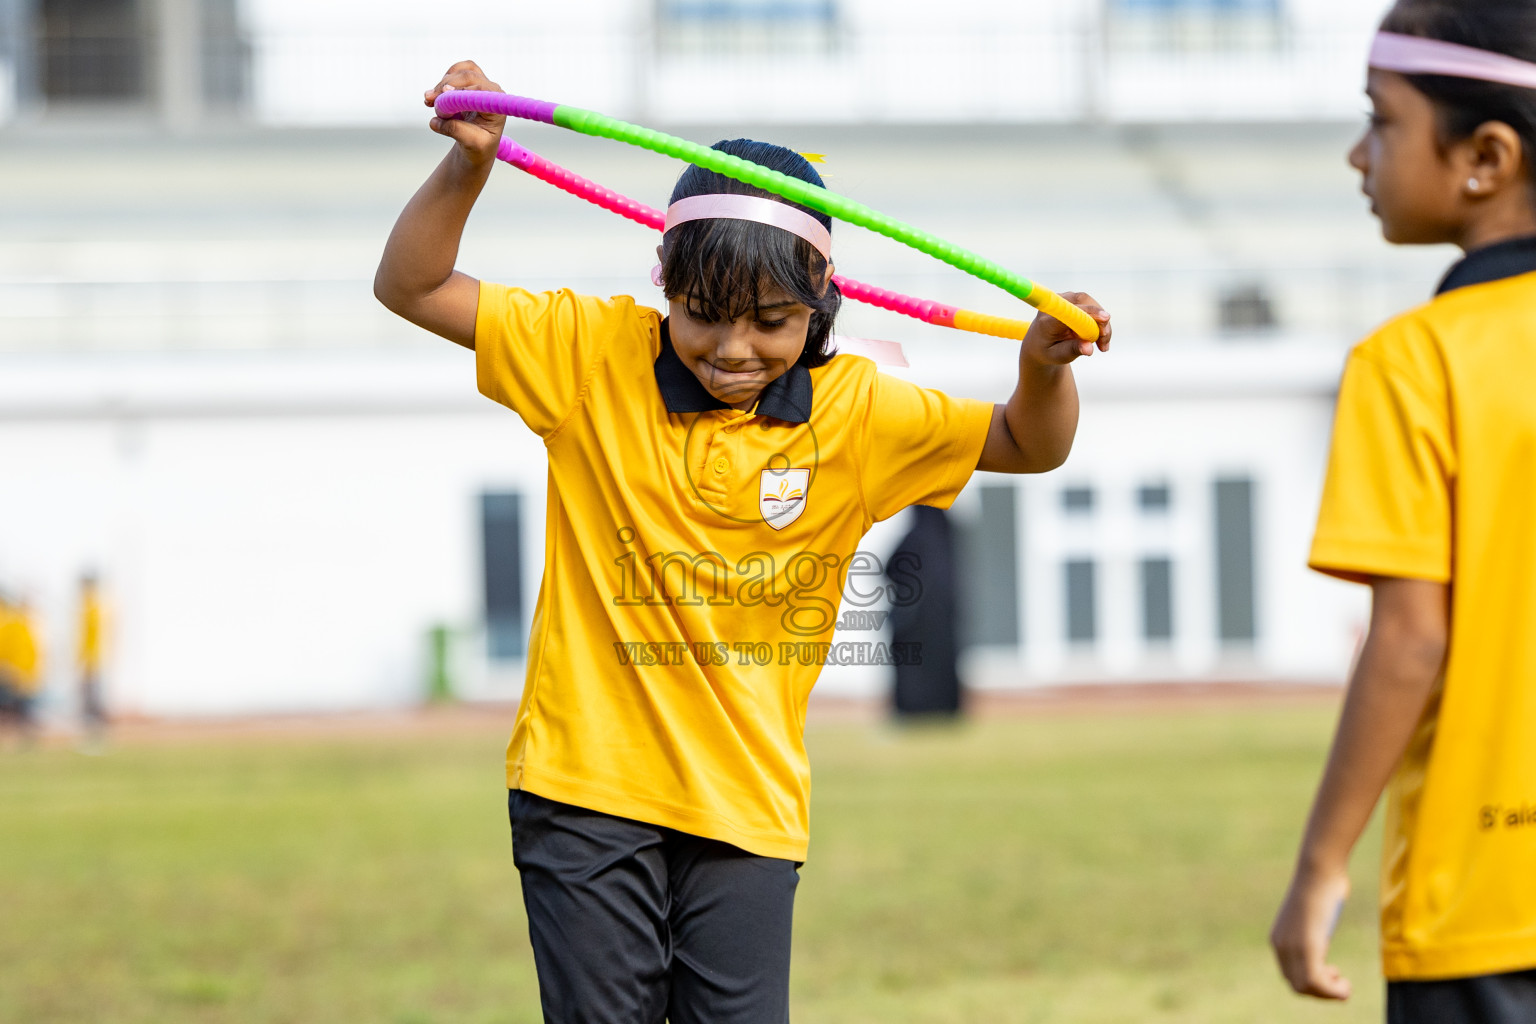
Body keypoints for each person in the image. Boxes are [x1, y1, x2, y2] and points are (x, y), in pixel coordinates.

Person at [375, 60, 1111, 1023]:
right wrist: (471, 166)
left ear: (823, 310)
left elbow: (1028, 444)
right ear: (663, 285)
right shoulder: (591, 354)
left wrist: (1042, 368)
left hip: (748, 804)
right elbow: (412, 284)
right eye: (703, 317)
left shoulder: (858, 411)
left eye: (770, 324)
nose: (733, 352)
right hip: (583, 787)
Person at [1270, 4, 1536, 1020]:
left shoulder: (1411, 365)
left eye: (1381, 121)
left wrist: (1320, 865)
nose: (1357, 153)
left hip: (1484, 902)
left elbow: (1411, 641)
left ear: (1485, 157)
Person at [0, 592, 42, 748]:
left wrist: (22, 671)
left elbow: (26, 650)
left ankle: (26, 739)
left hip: (18, 672)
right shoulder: (14, 621)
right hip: (13, 671)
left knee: (22, 707)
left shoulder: (17, 622)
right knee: (16, 707)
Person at [77, 572, 107, 750]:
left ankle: (95, 738)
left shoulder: (92, 605)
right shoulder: (92, 605)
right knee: (90, 701)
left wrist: (87, 661)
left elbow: (91, 638)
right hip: (92, 660)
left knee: (91, 702)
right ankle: (92, 736)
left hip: (91, 662)